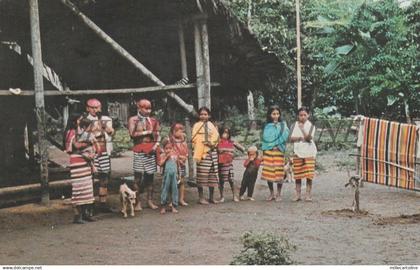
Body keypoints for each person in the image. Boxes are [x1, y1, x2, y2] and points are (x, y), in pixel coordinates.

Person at [128, 99, 161, 210]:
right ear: (139, 108)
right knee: (137, 178)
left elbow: (158, 135)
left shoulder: (153, 120)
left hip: (150, 151)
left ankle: (150, 201)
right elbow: (132, 134)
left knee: (150, 177)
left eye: (149, 108)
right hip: (139, 150)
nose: (148, 111)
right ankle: (137, 202)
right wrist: (147, 132)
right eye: (145, 108)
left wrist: (155, 147)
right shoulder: (133, 120)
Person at [84, 98, 115, 213]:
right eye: (92, 107)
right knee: (90, 178)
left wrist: (104, 127)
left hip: (104, 152)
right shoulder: (84, 120)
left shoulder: (106, 119)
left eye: (97, 107)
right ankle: (89, 204)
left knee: (104, 178)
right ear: (87, 108)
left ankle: (103, 203)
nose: (95, 110)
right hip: (91, 153)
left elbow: (111, 132)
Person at [65, 115, 96, 224]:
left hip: (85, 163)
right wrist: (89, 143)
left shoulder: (84, 133)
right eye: (79, 119)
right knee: (78, 189)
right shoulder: (72, 132)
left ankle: (85, 214)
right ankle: (77, 216)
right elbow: (76, 146)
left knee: (87, 188)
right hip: (76, 161)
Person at [192, 107, 220, 204]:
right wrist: (202, 142)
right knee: (202, 176)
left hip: (212, 153)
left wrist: (211, 143)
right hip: (202, 153)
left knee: (212, 175)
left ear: (209, 115)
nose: (203, 116)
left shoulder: (211, 125)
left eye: (205, 114)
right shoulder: (196, 125)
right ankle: (201, 198)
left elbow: (216, 136)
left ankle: (211, 197)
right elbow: (194, 138)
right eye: (201, 114)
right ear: (199, 116)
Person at [261, 105, 289, 201]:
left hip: (279, 152)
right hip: (269, 152)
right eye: (273, 114)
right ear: (270, 115)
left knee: (279, 173)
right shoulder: (267, 126)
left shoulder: (283, 125)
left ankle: (279, 194)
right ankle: (271, 193)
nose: (276, 115)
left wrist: (277, 144)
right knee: (269, 173)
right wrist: (268, 147)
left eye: (277, 114)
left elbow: (285, 136)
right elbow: (265, 139)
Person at [289, 106, 317, 201]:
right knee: (298, 175)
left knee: (309, 175)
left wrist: (302, 130)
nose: (303, 117)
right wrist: (300, 138)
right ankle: (298, 195)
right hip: (298, 152)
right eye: (301, 115)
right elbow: (291, 139)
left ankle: (308, 195)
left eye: (305, 115)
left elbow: (309, 138)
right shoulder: (294, 125)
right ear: (298, 116)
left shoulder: (311, 126)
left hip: (309, 152)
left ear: (308, 115)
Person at [217, 127, 245, 202]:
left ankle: (234, 196)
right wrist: (229, 150)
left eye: (227, 133)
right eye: (224, 132)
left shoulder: (231, 142)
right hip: (222, 164)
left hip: (229, 163)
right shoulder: (219, 141)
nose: (225, 134)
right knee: (222, 181)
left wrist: (231, 150)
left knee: (231, 180)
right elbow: (220, 150)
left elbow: (241, 148)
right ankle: (222, 196)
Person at [168, 123, 189, 206]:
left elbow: (186, 151)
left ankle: (181, 199)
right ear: (173, 131)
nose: (180, 132)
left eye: (181, 130)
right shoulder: (171, 141)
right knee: (173, 181)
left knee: (182, 181)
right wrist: (179, 158)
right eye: (177, 131)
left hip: (182, 164)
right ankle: (172, 200)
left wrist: (185, 157)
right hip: (174, 164)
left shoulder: (183, 141)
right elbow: (171, 152)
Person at [158, 139, 179, 214]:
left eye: (170, 148)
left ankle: (174, 206)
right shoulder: (163, 155)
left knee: (174, 190)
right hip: (166, 176)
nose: (168, 150)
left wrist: (178, 174)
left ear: (173, 148)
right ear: (163, 148)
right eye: (166, 148)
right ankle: (163, 206)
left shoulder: (175, 155)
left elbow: (177, 164)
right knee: (165, 190)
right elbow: (160, 164)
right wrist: (166, 157)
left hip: (174, 175)